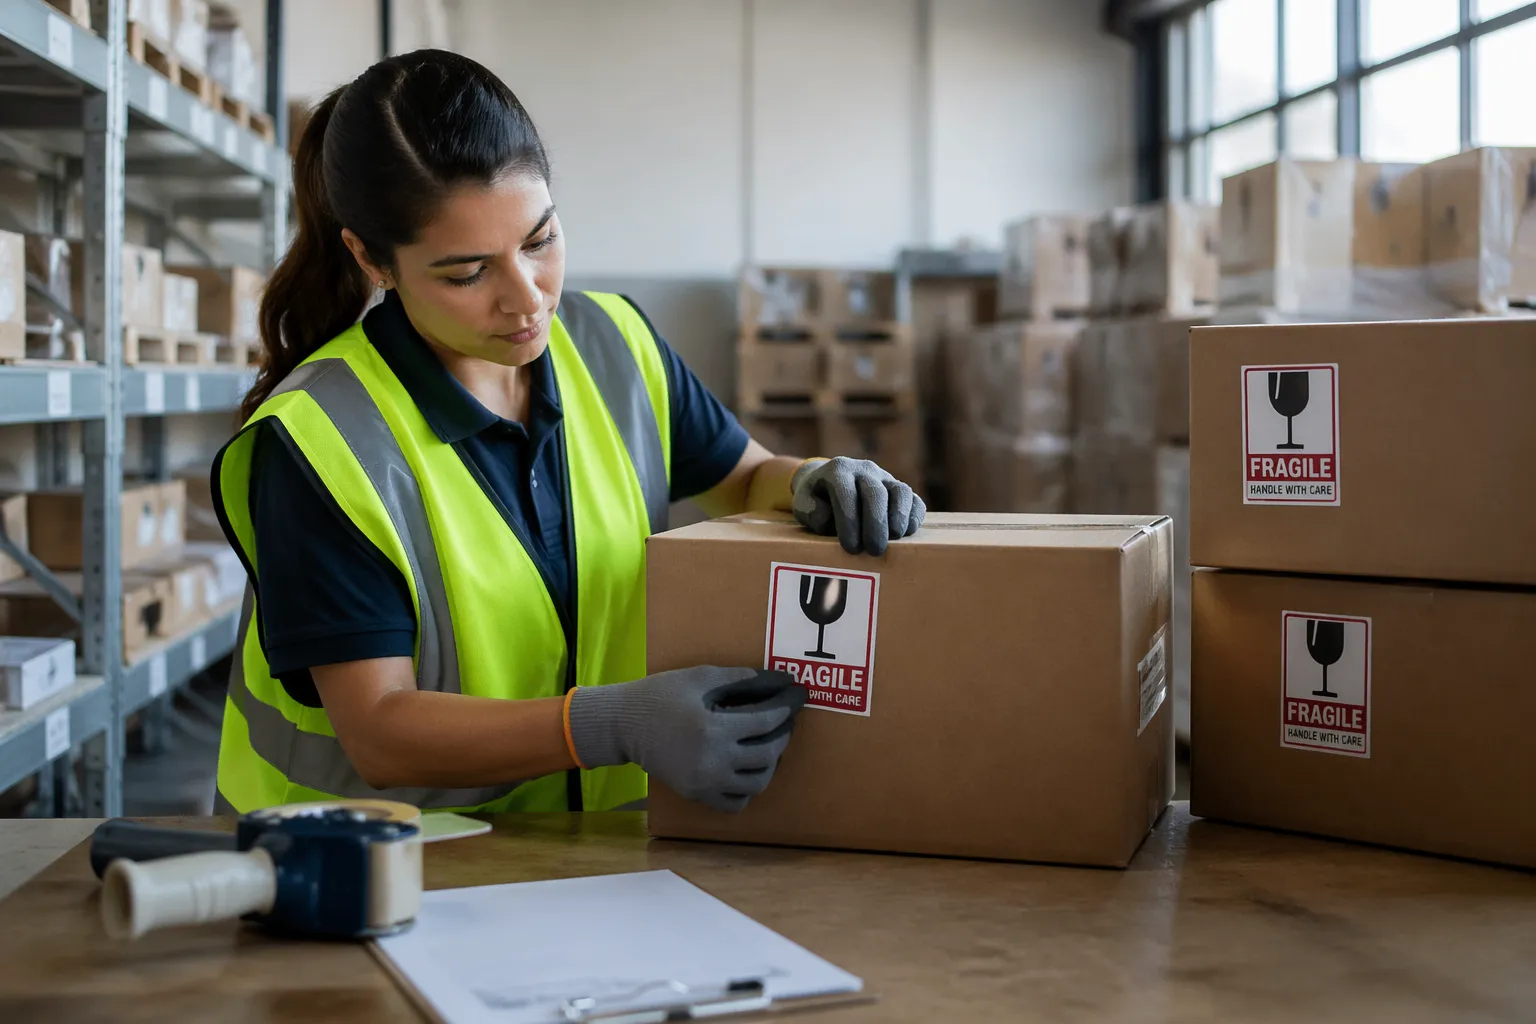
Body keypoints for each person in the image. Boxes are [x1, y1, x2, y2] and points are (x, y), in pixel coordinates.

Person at [212, 50, 925, 817]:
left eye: (540, 240)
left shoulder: (616, 345)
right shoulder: (320, 441)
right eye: (466, 273)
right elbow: (380, 732)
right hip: (366, 881)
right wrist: (614, 723)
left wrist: (813, 477)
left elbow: (744, 480)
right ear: (370, 258)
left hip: (588, 865)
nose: (527, 299)